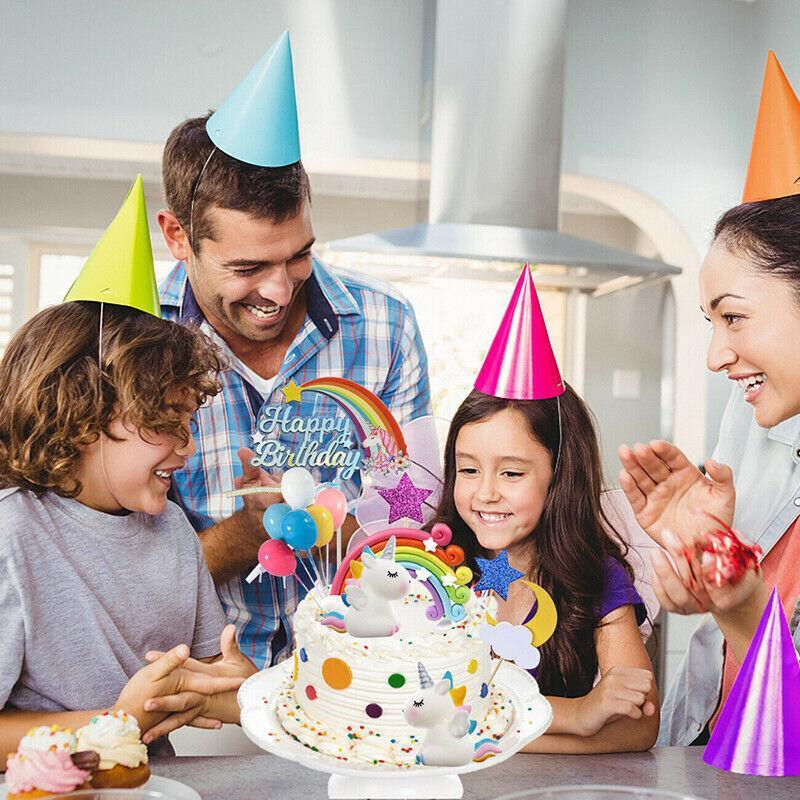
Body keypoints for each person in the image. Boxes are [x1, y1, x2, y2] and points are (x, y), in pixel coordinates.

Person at [156, 35, 431, 668]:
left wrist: (335, 525)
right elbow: (110, 579)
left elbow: (405, 519)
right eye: (249, 266)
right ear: (178, 236)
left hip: (355, 681)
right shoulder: (126, 345)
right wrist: (248, 534)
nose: (279, 291)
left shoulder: (385, 326)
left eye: (299, 255)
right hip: (198, 695)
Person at [618, 51, 800, 745]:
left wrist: (740, 599)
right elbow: (743, 633)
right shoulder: (751, 417)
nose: (715, 356)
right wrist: (708, 578)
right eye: (710, 321)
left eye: (734, 316)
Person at [0, 302, 253, 756]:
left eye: (188, 421)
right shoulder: (12, 531)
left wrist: (243, 689)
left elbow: (209, 676)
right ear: (81, 415)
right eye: (166, 421)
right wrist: (118, 724)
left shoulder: (173, 529)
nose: (187, 447)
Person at [432, 267, 659, 753]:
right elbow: (416, 709)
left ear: (559, 476)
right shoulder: (430, 570)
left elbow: (639, 726)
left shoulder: (595, 578)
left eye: (511, 473)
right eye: (468, 471)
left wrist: (493, 736)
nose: (485, 493)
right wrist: (575, 715)